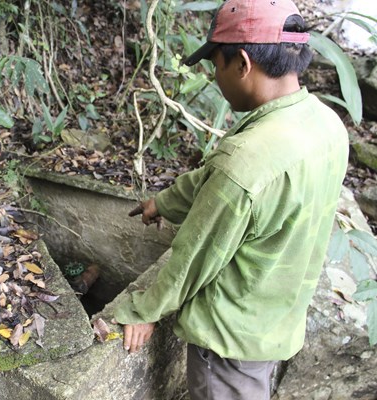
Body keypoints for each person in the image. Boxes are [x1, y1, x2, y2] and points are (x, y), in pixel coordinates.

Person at [113, 0, 350, 399]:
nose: (215, 78)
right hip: (272, 319)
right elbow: (218, 182)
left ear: (242, 62)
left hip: (229, 344)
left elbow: (194, 255)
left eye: (215, 66)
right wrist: (165, 202)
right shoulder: (324, 123)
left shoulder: (246, 163)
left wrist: (142, 310)